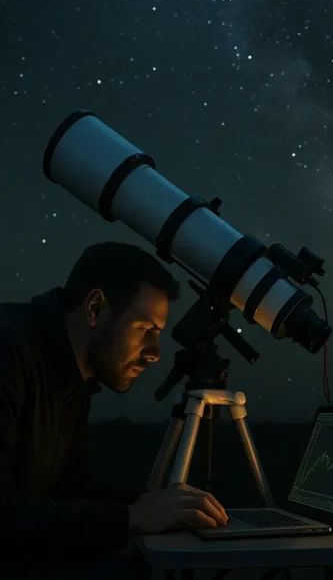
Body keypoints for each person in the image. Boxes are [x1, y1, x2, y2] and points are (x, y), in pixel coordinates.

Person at [0, 242, 229, 576]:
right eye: (145, 330)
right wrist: (131, 518)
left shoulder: (73, 375)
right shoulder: (7, 351)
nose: (154, 353)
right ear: (95, 308)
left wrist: (142, 502)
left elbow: (64, 488)